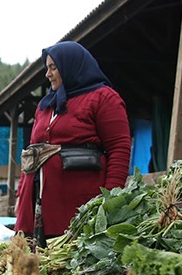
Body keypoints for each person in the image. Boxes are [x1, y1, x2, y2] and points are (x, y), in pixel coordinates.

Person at [15, 41, 131, 243]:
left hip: (76, 203)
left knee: (68, 261)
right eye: (47, 68)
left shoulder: (102, 98)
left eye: (53, 67)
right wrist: (20, 194)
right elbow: (33, 152)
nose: (48, 74)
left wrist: (111, 198)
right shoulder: (46, 106)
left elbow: (119, 148)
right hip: (36, 203)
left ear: (71, 65)